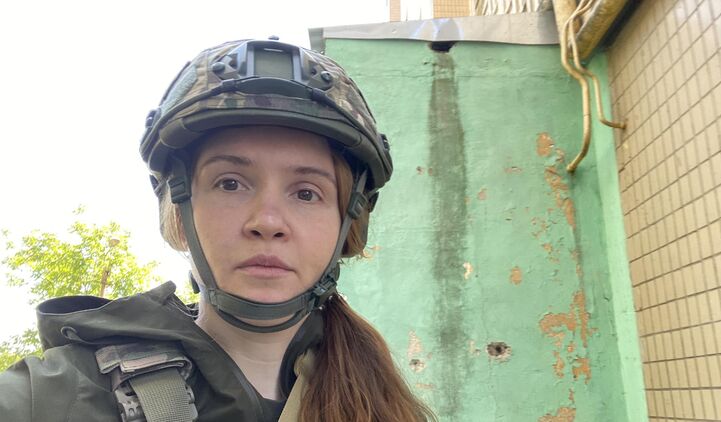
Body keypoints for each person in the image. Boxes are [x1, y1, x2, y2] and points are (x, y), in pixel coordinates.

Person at [0, 39, 435, 422]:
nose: (267, 222)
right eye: (230, 184)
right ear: (178, 206)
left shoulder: (385, 402)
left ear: (350, 219)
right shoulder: (53, 398)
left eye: (306, 193)